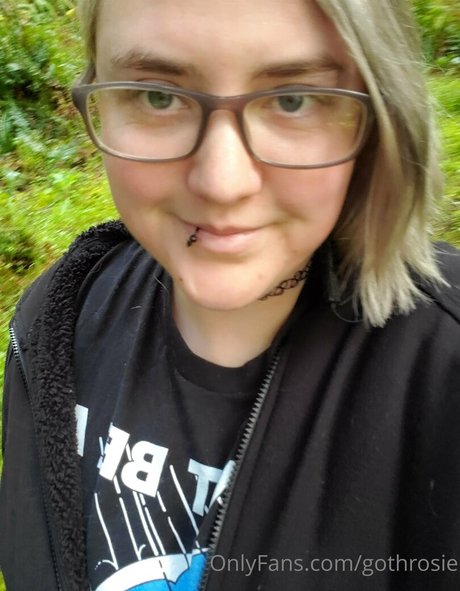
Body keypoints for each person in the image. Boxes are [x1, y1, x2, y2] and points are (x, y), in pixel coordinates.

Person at [1, 0, 459, 589]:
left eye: (293, 100)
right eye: (157, 96)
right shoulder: (54, 324)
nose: (222, 183)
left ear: (381, 117)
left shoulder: (444, 372)